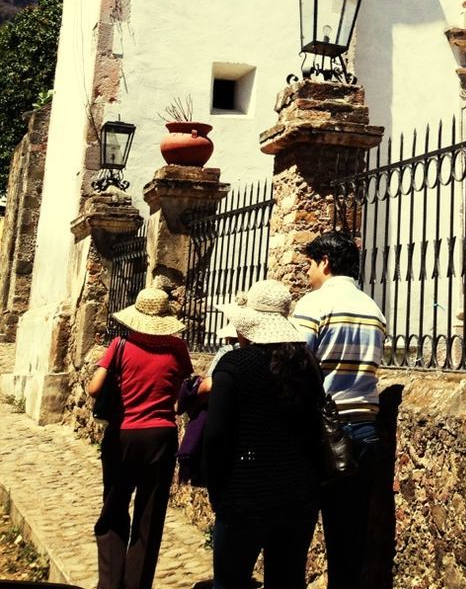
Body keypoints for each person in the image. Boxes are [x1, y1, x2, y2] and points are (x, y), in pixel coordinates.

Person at [203, 278, 325, 589]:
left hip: (244, 495)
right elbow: (314, 426)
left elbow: (216, 435)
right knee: (286, 580)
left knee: (229, 582)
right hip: (299, 492)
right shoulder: (307, 364)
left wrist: (218, 491)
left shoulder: (234, 365)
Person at [294, 231, 386, 589]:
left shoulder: (314, 304)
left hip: (321, 429)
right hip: (365, 427)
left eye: (310, 265)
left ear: (325, 263)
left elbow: (296, 367)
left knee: (296, 527)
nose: (307, 273)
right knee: (349, 535)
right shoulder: (373, 308)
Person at [88, 285, 192, 589]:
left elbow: (95, 389)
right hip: (162, 435)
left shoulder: (120, 345)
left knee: (115, 506)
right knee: (150, 514)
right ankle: (137, 584)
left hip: (124, 435)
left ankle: (110, 583)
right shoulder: (178, 348)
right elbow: (182, 386)